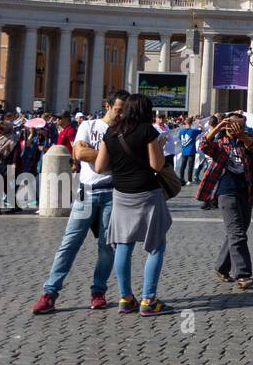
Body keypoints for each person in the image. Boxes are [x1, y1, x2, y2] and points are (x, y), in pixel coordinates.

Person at [31, 91, 128, 315]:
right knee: (69, 243)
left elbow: (116, 159)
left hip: (112, 193)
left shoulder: (124, 130)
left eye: (124, 111)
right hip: (87, 192)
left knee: (107, 247)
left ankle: (98, 292)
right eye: (118, 109)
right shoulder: (89, 125)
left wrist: (92, 153)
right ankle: (49, 293)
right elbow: (78, 152)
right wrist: (106, 156)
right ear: (107, 106)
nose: (121, 114)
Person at [94, 93, 173, 316]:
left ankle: (125, 298)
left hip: (121, 194)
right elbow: (156, 165)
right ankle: (148, 300)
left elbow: (100, 167)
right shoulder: (148, 131)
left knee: (123, 245)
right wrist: (159, 146)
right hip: (147, 193)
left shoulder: (111, 132)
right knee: (156, 245)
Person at [198, 113, 253, 288]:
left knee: (238, 231)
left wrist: (242, 136)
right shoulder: (220, 144)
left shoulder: (246, 142)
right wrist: (218, 127)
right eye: (234, 125)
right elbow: (203, 145)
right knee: (237, 233)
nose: (237, 128)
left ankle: (222, 267)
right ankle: (243, 275)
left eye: (241, 126)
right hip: (226, 192)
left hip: (247, 192)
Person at [175, 117, 201, 185]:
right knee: (190, 166)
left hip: (184, 151)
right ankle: (189, 180)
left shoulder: (181, 131)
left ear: (185, 122)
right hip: (191, 151)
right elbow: (203, 130)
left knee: (183, 165)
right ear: (192, 123)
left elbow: (180, 138)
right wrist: (199, 124)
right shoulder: (193, 131)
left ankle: (181, 178)